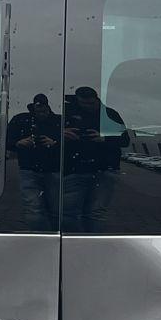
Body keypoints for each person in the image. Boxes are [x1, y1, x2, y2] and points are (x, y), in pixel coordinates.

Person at [62, 86, 129, 233]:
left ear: (97, 99)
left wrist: (104, 138)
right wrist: (61, 134)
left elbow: (125, 140)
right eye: (84, 103)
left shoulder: (110, 115)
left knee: (94, 213)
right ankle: (76, 242)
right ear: (78, 100)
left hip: (104, 169)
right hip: (76, 168)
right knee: (69, 213)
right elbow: (48, 132)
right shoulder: (67, 112)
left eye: (91, 103)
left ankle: (88, 242)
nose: (88, 106)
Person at [6, 93, 61, 231]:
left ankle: (44, 235)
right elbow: (6, 141)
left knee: (52, 208)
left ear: (48, 108)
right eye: (39, 111)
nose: (41, 113)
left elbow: (73, 143)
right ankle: (43, 235)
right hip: (32, 169)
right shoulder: (21, 120)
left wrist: (55, 143)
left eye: (44, 110)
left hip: (48, 169)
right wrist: (18, 143)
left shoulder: (21, 120)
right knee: (36, 208)